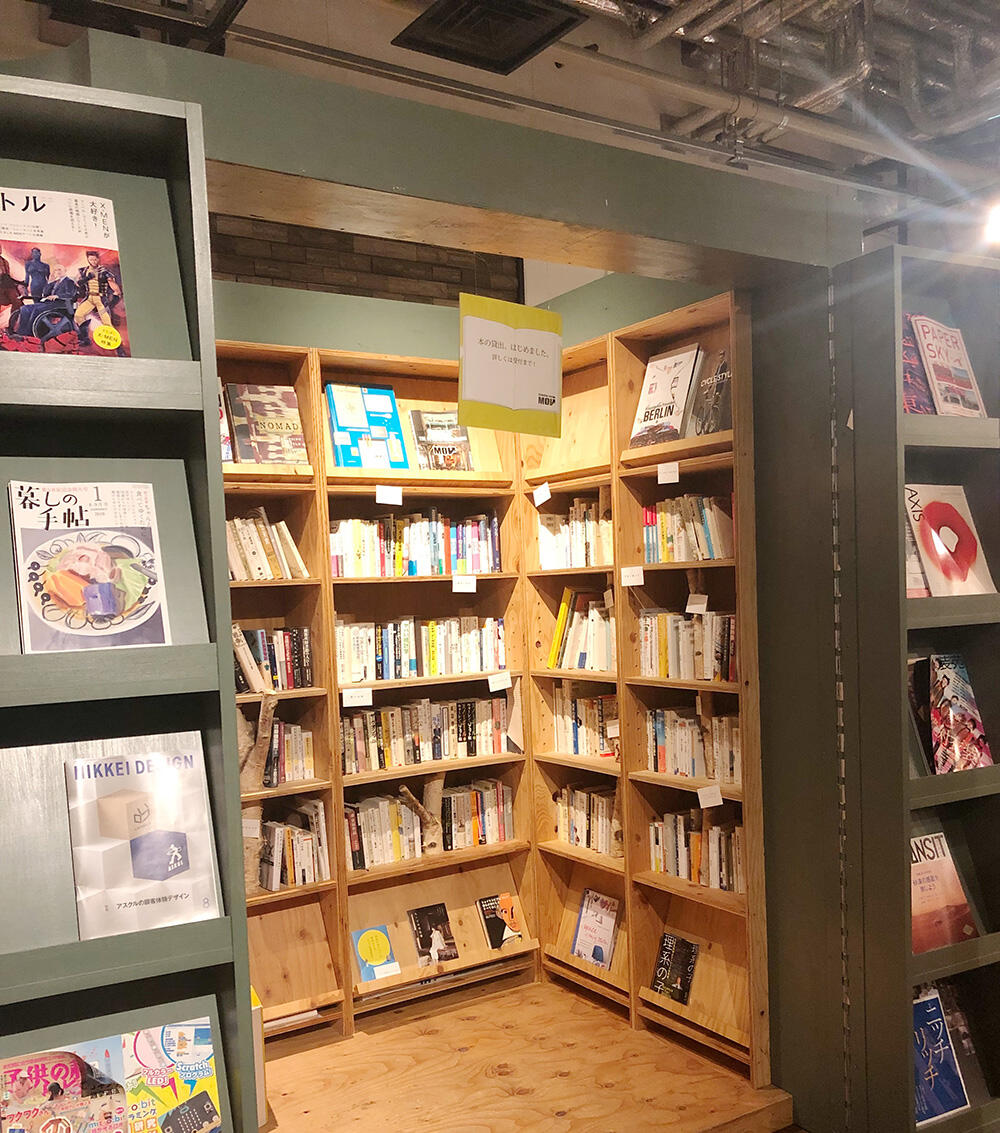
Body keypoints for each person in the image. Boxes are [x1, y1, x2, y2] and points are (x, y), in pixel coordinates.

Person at [74, 250, 121, 342]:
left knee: (106, 322)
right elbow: (78, 283)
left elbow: (113, 285)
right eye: (91, 259)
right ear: (88, 259)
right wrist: (87, 278)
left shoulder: (103, 271)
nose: (93, 261)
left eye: (95, 259)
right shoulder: (84, 270)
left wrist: (114, 297)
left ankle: (117, 345)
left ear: (98, 259)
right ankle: (85, 338)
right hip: (89, 298)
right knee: (78, 315)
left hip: (100, 300)